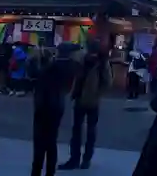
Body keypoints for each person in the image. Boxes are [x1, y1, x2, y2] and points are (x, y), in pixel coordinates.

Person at [58, 40, 112, 170]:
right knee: (79, 130)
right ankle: (77, 159)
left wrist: (97, 93)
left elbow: (107, 82)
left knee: (87, 131)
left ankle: (83, 159)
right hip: (80, 98)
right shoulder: (85, 60)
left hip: (90, 100)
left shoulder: (101, 63)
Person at [31, 43, 78, 176]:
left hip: (44, 105)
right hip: (58, 105)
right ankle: (50, 172)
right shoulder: (71, 67)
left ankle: (36, 172)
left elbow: (36, 74)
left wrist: (37, 58)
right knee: (51, 141)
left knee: (40, 142)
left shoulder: (54, 67)